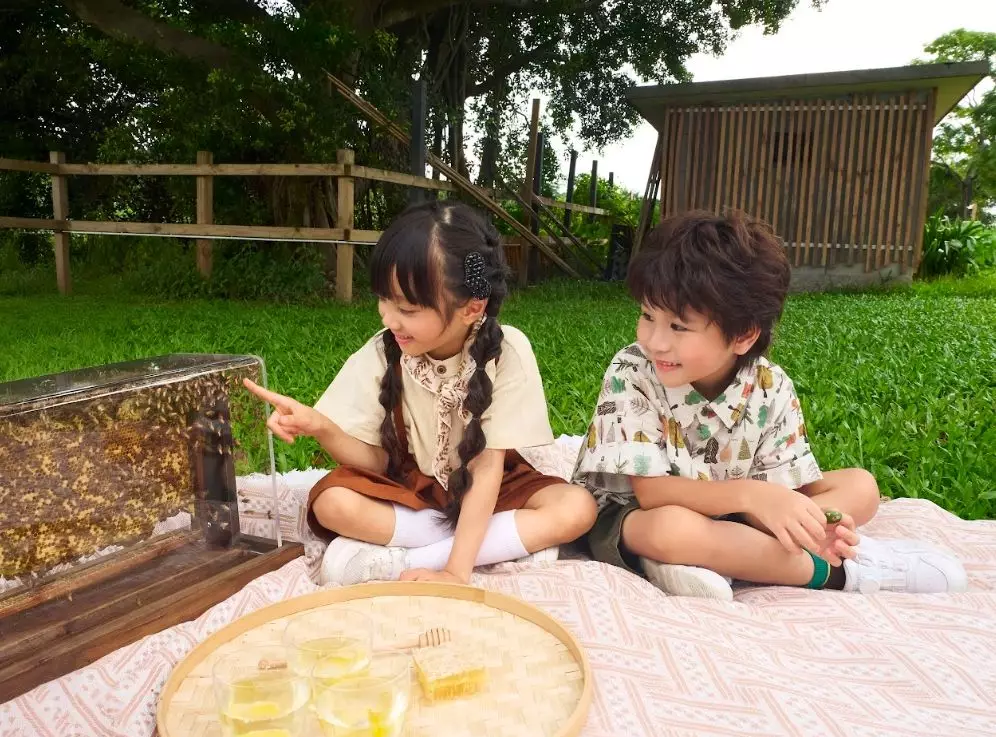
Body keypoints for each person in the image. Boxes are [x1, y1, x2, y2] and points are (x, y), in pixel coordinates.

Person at [572, 210, 967, 600]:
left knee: (861, 487)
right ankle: (837, 571)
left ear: (743, 336)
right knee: (671, 530)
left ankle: (735, 554)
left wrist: (803, 516)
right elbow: (652, 494)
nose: (655, 341)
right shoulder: (633, 369)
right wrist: (752, 497)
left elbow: (784, 485)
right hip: (635, 515)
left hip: (738, 515)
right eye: (647, 315)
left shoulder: (769, 385)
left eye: (678, 326)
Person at [245, 200, 596, 587]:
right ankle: (497, 541)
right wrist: (321, 427)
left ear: (471, 307)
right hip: (412, 488)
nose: (387, 317)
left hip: (487, 488)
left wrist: (454, 572)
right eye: (383, 299)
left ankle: (408, 559)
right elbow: (376, 463)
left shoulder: (506, 351)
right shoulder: (384, 350)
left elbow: (487, 468)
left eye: (407, 309)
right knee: (330, 502)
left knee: (577, 507)